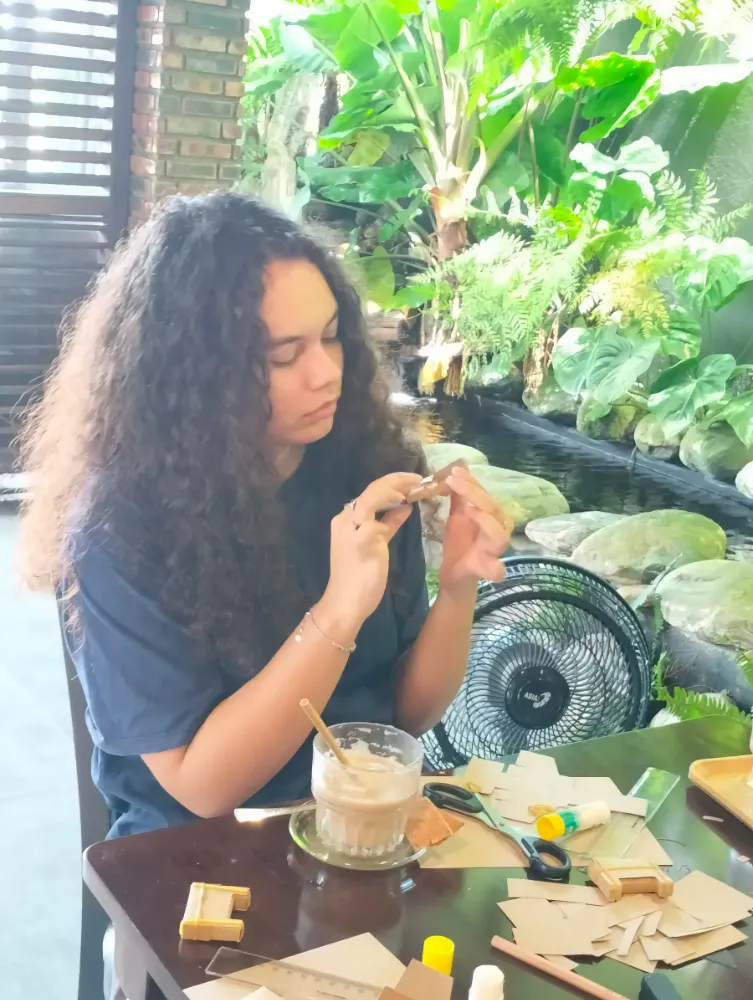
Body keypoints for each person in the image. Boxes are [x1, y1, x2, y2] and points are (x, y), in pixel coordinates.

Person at [19, 193, 511, 842]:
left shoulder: (362, 467)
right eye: (283, 356)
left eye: (332, 337)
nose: (324, 374)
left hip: (357, 826)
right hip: (199, 856)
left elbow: (403, 718)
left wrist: (456, 588)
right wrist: (339, 610)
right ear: (198, 375)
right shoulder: (124, 525)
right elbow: (203, 787)